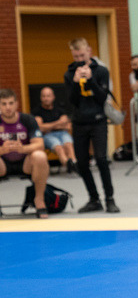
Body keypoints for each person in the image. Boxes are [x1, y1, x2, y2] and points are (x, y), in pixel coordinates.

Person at [64, 38, 119, 213]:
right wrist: (74, 82)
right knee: (82, 163)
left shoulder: (101, 71)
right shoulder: (69, 73)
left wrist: (90, 80)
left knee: (102, 159)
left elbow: (103, 97)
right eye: (76, 56)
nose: (79, 59)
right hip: (79, 122)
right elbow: (71, 101)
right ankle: (94, 198)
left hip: (98, 120)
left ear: (89, 51)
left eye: (82, 54)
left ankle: (109, 198)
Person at [0, 89, 50, 217]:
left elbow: (40, 144)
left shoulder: (27, 119)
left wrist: (22, 148)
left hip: (25, 162)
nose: (8, 107)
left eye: (11, 103)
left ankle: (39, 200)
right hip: (3, 164)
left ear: (16, 104)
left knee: (40, 155)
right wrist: (2, 150)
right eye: (4, 104)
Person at [32, 86, 76, 173]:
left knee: (68, 144)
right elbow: (40, 128)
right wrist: (58, 123)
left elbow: (67, 126)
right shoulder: (36, 111)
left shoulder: (60, 110)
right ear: (41, 98)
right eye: (44, 96)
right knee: (58, 146)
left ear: (53, 97)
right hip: (47, 136)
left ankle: (74, 163)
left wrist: (48, 126)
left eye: (48, 96)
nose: (46, 98)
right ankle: (67, 164)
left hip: (62, 133)